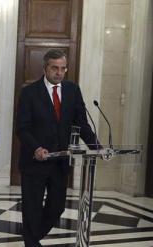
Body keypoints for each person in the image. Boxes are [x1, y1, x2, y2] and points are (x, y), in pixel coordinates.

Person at [16, 49, 97, 247]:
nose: (59, 73)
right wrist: (36, 148)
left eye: (63, 68)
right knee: (32, 208)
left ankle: (32, 237)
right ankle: (32, 242)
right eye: (55, 68)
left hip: (60, 162)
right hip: (35, 161)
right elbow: (22, 128)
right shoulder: (29, 92)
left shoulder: (72, 90)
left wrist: (97, 147)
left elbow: (82, 124)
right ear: (45, 68)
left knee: (56, 208)